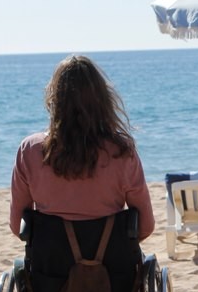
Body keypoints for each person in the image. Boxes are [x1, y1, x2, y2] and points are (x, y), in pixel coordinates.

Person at [10, 55, 155, 241]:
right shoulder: (121, 152)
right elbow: (145, 226)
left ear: (55, 100)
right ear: (103, 100)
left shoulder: (29, 150)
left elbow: (17, 226)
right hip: (113, 266)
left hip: (49, 267)